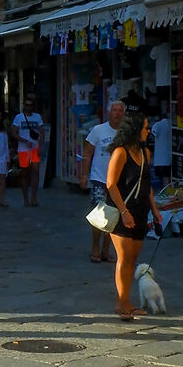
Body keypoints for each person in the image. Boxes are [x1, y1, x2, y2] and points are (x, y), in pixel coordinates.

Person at [103, 107, 161, 319]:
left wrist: (155, 211)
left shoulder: (146, 153)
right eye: (146, 128)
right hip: (121, 212)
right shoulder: (120, 152)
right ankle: (122, 303)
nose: (148, 132)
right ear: (136, 129)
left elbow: (147, 186)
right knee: (124, 257)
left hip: (141, 211)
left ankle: (126, 301)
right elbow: (111, 184)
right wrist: (124, 211)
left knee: (132, 258)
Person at [80, 99, 127, 264]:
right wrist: (84, 175)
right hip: (99, 178)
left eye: (120, 110)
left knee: (113, 217)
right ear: (109, 113)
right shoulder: (98, 130)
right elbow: (87, 153)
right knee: (99, 216)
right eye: (114, 110)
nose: (117, 113)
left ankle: (106, 250)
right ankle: (95, 247)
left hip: (118, 181)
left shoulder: (125, 133)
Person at [13, 94, 45, 207]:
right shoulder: (19, 117)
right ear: (24, 106)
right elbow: (14, 133)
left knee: (35, 172)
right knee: (25, 173)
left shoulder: (37, 117)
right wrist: (24, 140)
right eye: (26, 105)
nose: (28, 107)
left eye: (31, 105)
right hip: (23, 149)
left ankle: (33, 198)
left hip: (35, 148)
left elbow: (42, 132)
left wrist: (40, 146)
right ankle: (26, 199)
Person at [151, 99, 173, 191]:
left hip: (159, 159)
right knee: (169, 178)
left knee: (162, 181)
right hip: (169, 157)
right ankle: (168, 192)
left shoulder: (157, 125)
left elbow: (153, 134)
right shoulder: (172, 124)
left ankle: (165, 193)